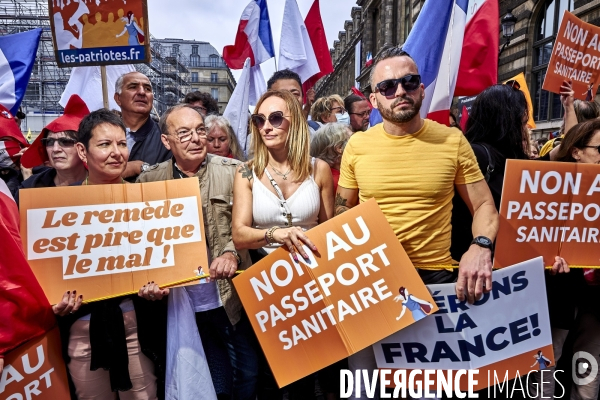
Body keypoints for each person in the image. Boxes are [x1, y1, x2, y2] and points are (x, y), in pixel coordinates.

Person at [334, 46, 499, 399]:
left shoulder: (451, 140)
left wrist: (480, 246)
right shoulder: (357, 146)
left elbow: (484, 204)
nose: (400, 92)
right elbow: (341, 210)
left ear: (422, 88)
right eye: (388, 86)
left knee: (427, 393)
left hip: (432, 284)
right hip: (369, 282)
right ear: (374, 99)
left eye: (409, 82)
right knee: (364, 392)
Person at [136, 104, 258, 399]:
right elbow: (139, 244)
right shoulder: (148, 182)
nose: (196, 139)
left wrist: (230, 253)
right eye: (184, 133)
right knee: (212, 381)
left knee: (249, 373)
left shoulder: (234, 172)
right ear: (166, 141)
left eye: (200, 130)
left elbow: (247, 223)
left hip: (229, 298)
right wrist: (148, 280)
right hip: (182, 304)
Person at [53, 109, 166, 400]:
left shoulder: (148, 203)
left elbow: (164, 261)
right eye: (105, 145)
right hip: (83, 329)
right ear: (82, 150)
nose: (116, 153)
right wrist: (53, 299)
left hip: (137, 328)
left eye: (122, 143)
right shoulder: (57, 211)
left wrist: (161, 285)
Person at [232, 89, 334, 399]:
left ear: (297, 122)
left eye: (276, 118)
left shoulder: (319, 169)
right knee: (270, 374)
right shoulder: (246, 171)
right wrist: (274, 234)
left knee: (308, 371)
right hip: (267, 282)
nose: (267, 126)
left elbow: (330, 229)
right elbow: (239, 233)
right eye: (259, 120)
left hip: (311, 282)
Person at [551, 119, 600, 400]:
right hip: (560, 294)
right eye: (599, 149)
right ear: (577, 152)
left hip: (595, 298)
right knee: (548, 363)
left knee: (588, 366)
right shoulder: (546, 189)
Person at [18, 95, 89, 203]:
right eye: (50, 142)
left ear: (83, 148)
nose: (55, 149)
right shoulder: (30, 186)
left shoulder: (104, 183)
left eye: (65, 142)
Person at [114, 72, 171, 181]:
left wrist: (143, 168)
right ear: (118, 98)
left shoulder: (166, 137)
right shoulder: (101, 135)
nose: (141, 92)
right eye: (133, 87)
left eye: (147, 89)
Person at [309, 122, 351, 193]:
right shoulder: (338, 182)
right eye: (352, 138)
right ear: (339, 148)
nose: (357, 142)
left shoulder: (319, 175)